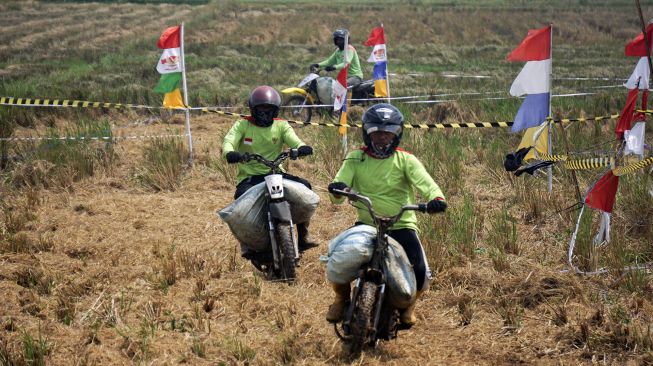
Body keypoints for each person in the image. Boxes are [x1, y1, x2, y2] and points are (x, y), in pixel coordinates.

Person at [326, 103, 447, 326]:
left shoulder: (406, 159)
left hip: (402, 225)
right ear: (367, 133)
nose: (382, 138)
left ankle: (409, 306)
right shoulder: (355, 157)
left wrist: (436, 199)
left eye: (388, 133)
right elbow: (337, 191)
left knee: (419, 271)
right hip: (366, 224)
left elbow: (427, 184)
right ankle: (341, 297)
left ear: (397, 134)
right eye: (377, 132)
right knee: (339, 257)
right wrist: (338, 188)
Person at [222, 85, 318, 258]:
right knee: (240, 201)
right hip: (250, 177)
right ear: (253, 109)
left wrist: (301, 148)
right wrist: (231, 153)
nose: (265, 112)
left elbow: (295, 141)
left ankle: (303, 235)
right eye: (261, 108)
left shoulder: (281, 125)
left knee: (305, 186)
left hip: (276, 173)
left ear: (276, 110)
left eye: (269, 108)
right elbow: (229, 141)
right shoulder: (243, 124)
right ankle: (247, 243)